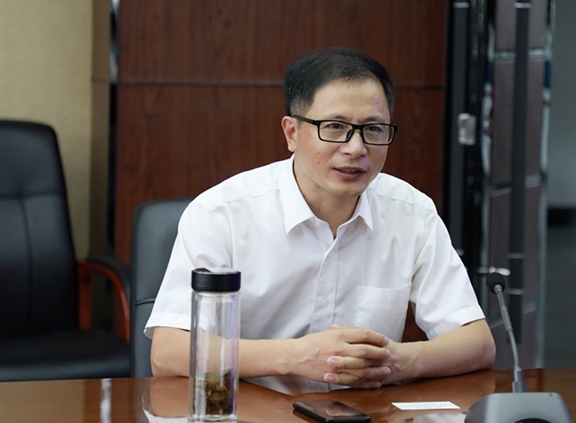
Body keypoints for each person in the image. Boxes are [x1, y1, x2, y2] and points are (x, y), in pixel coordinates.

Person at [146, 47, 495, 389]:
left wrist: (398, 361)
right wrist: (295, 357)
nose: (356, 148)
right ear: (292, 133)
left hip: (367, 418)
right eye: (335, 126)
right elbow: (168, 352)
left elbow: (477, 343)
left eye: (374, 129)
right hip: (254, 416)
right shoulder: (222, 214)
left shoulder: (412, 213)